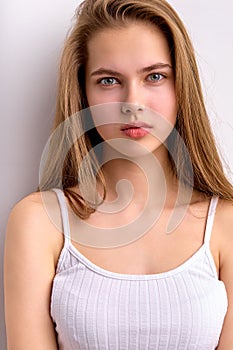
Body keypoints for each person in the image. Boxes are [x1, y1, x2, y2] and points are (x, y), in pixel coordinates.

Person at [4, 0, 233, 349]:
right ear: (83, 94)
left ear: (181, 87)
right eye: (109, 81)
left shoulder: (225, 225)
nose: (133, 102)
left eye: (154, 76)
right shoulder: (40, 222)